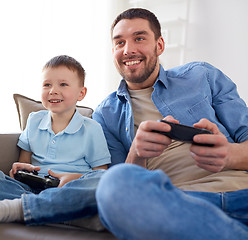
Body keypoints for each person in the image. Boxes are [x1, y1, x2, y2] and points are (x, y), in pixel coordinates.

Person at [93, 8, 248, 239]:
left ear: (160, 45)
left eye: (139, 38)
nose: (128, 50)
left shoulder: (202, 75)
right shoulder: (105, 114)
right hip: (182, 205)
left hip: (242, 193)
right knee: (112, 186)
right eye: (119, 42)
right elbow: (124, 187)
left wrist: (229, 154)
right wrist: (136, 152)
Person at [0, 55, 111, 231]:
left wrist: (72, 178)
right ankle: (64, 216)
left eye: (63, 84)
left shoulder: (92, 129)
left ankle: (23, 210)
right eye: (47, 84)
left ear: (81, 93)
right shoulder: (34, 120)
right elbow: (25, 161)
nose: (53, 90)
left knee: (103, 181)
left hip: (69, 190)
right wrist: (21, 168)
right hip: (32, 187)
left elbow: (102, 174)